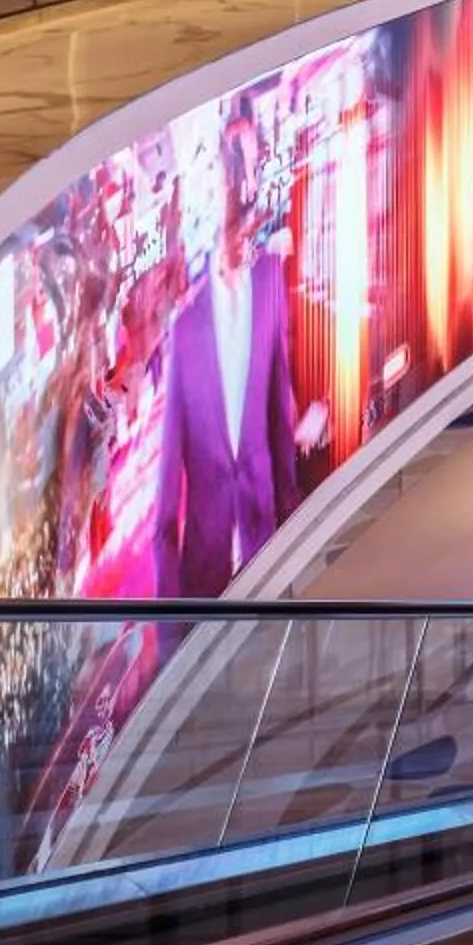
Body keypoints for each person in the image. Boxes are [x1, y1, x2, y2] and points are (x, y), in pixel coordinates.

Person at [153, 120, 307, 600]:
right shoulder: (184, 326)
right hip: (207, 567)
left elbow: (279, 409)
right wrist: (169, 626)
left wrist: (295, 534)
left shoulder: (268, 282)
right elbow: (164, 505)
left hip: (265, 544)